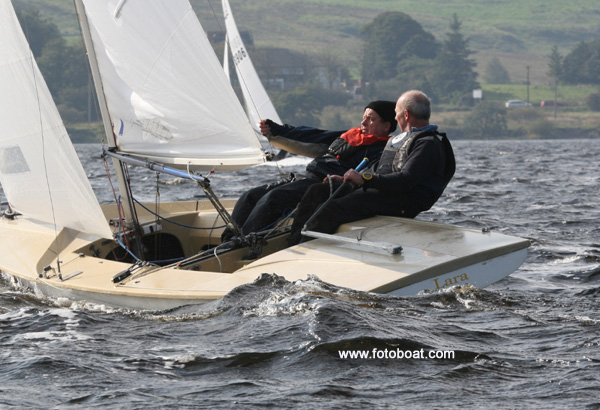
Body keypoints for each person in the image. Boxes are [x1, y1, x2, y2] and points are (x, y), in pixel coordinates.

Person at [289, 90, 456, 245]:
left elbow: (406, 180)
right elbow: (378, 169)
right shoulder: (399, 140)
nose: (395, 118)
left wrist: (365, 179)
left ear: (405, 115)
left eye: (396, 113)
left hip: (402, 201)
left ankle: (308, 249)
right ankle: (293, 244)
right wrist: (348, 180)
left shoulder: (428, 144)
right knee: (317, 191)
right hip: (383, 191)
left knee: (331, 209)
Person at [221, 100, 398, 242]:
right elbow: (312, 134)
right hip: (303, 178)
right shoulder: (350, 135)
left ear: (386, 126)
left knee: (272, 199)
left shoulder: (383, 150)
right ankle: (228, 239)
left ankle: (242, 242)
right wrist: (277, 129)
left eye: (371, 119)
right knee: (249, 196)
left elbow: (372, 175)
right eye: (364, 117)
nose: (363, 122)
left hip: (321, 184)